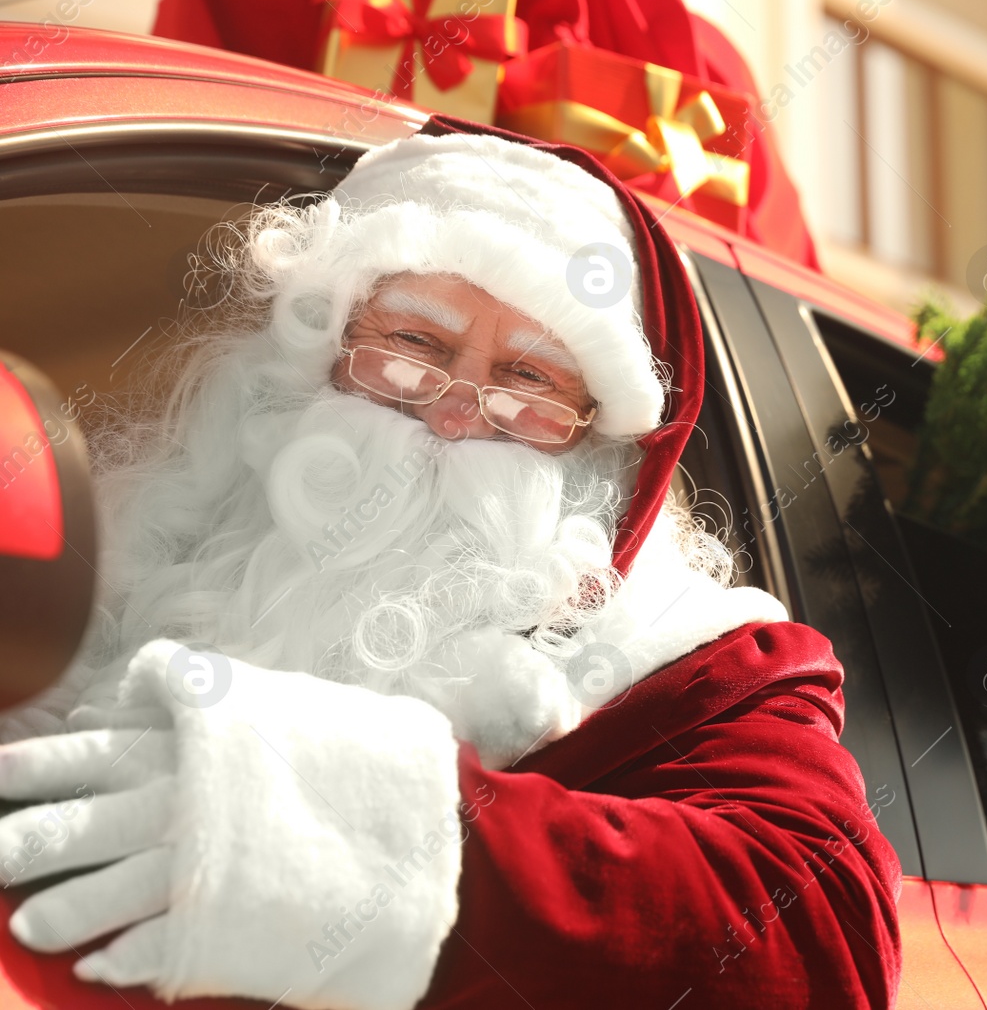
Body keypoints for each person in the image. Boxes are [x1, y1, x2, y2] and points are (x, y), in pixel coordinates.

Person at [0, 132, 902, 1009]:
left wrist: (363, 838)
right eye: (415, 347)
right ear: (314, 354)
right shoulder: (131, 539)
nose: (458, 414)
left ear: (592, 442)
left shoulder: (695, 660)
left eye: (530, 380)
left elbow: (827, 939)